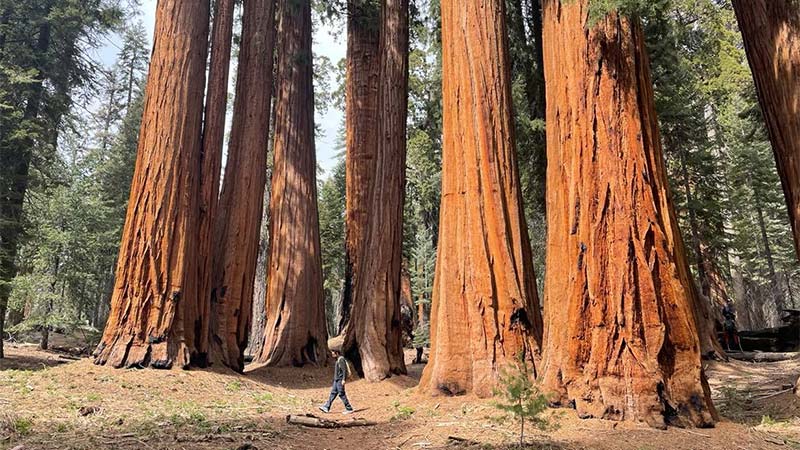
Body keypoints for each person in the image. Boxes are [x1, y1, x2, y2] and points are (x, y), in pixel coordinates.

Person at [319, 343, 354, 415]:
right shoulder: (338, 359)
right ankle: (326, 407)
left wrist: (343, 379)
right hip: (336, 380)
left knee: (341, 394)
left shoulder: (341, 360)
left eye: (333, 353)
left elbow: (344, 370)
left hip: (340, 380)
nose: (332, 354)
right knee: (333, 393)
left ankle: (349, 408)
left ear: (337, 353)